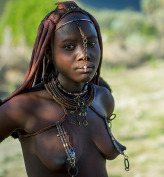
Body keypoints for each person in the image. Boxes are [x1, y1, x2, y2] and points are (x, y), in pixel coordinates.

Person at [0, 1, 129, 177]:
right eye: (69, 46)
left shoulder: (102, 98)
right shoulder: (24, 107)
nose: (84, 55)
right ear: (49, 53)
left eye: (91, 44)